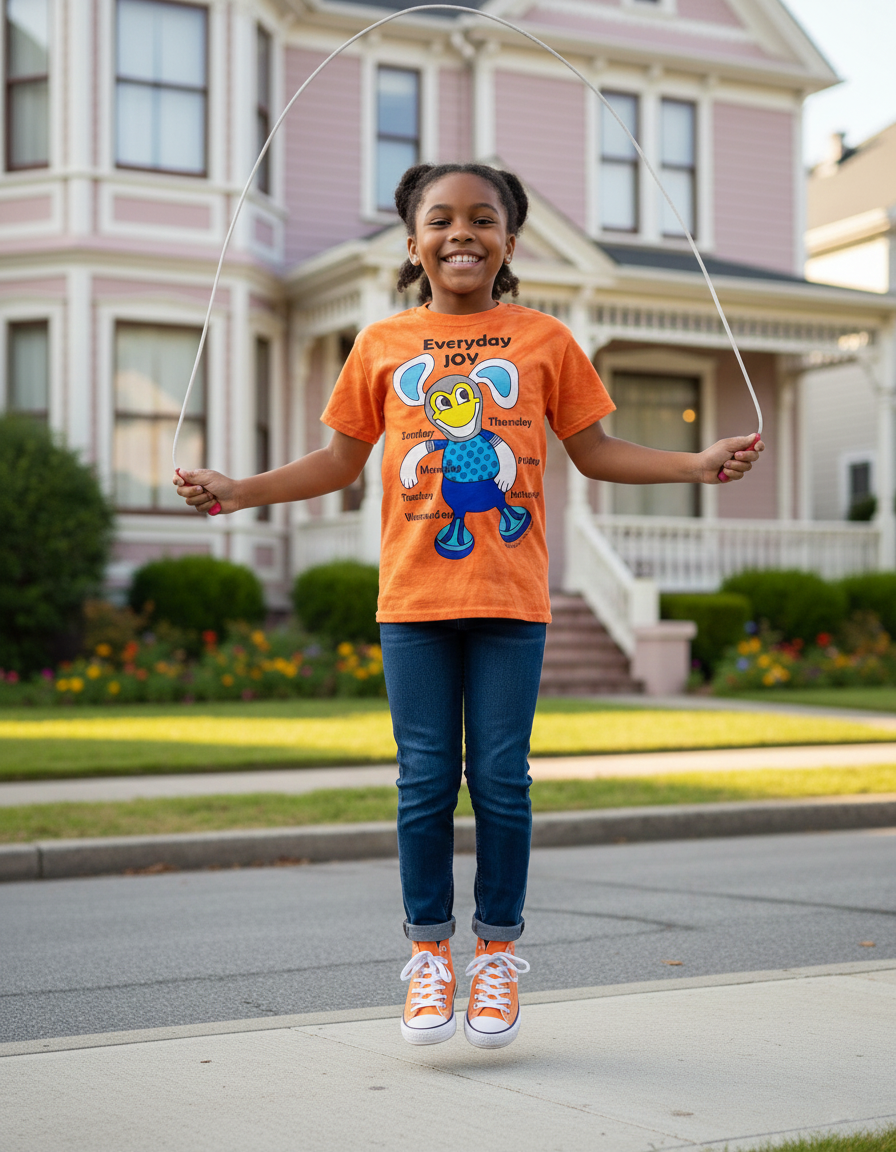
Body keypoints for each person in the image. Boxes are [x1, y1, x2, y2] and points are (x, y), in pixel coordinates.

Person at [174, 161, 763, 1050]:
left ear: (510, 243)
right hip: (413, 600)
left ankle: (494, 957)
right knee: (422, 784)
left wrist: (693, 463)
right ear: (411, 244)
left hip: (510, 599)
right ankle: (427, 957)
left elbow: (595, 452)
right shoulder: (379, 345)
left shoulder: (545, 340)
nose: (461, 233)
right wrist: (236, 490)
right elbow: (337, 464)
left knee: (500, 783)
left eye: (482, 219)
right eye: (439, 219)